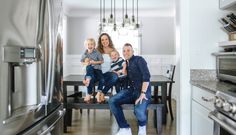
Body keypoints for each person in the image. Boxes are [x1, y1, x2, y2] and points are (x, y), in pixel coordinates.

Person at [108, 43, 151, 135]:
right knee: (112, 101)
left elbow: (146, 76)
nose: (126, 52)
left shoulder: (139, 60)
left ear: (133, 51)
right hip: (131, 91)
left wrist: (143, 93)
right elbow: (125, 79)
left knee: (138, 111)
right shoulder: (126, 64)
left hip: (143, 91)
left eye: (128, 50)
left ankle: (142, 127)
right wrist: (117, 75)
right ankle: (125, 128)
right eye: (124, 51)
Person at [96, 33, 119, 102]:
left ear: (109, 40)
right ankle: (99, 94)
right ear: (100, 42)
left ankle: (103, 93)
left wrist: (116, 70)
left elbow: (118, 61)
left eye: (106, 39)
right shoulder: (97, 50)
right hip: (99, 73)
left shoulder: (113, 50)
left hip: (108, 73)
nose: (104, 41)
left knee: (115, 76)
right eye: (102, 40)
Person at [80, 38, 104, 102]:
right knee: (89, 68)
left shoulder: (97, 52)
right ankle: (89, 93)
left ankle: (98, 93)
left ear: (94, 45)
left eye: (92, 44)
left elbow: (102, 61)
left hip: (97, 69)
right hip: (90, 70)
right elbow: (81, 62)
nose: (90, 46)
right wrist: (86, 63)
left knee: (102, 79)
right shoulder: (85, 54)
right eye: (88, 44)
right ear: (85, 45)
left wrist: (94, 62)